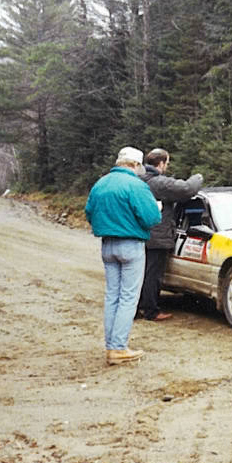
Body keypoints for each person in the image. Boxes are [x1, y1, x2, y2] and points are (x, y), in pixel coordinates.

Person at [85, 146, 162, 365]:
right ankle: (118, 348)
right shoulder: (136, 185)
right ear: (135, 165)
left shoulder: (101, 183)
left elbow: (89, 212)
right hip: (131, 245)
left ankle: (111, 346)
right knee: (128, 297)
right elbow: (151, 218)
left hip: (107, 245)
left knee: (112, 296)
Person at [137, 148, 203, 321]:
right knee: (153, 275)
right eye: (167, 163)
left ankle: (136, 309)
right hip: (157, 236)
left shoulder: (138, 179)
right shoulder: (158, 182)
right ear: (160, 164)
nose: (167, 166)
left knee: (139, 273)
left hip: (139, 234)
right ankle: (150, 310)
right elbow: (188, 189)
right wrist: (198, 177)